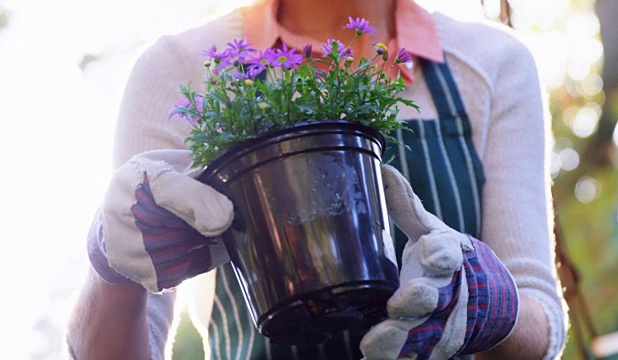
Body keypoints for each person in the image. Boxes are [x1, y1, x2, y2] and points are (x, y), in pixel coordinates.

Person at [66, 0, 568, 359]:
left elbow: (542, 317)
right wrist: (111, 268)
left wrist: (495, 308)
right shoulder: (178, 68)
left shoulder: (493, 63)